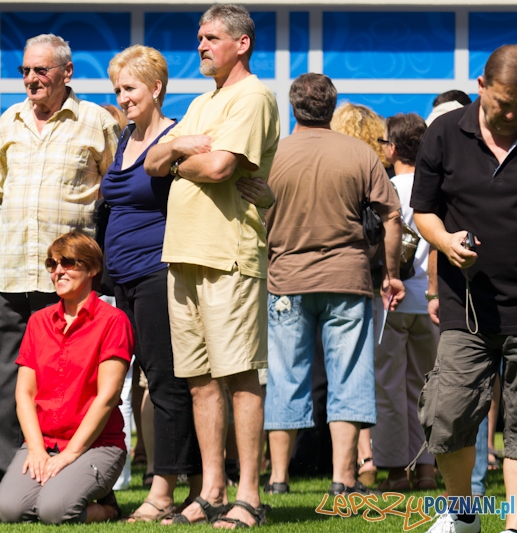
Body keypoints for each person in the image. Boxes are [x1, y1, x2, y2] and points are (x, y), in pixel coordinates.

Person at [0, 33, 119, 516]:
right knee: (6, 384)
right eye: (25, 71)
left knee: (79, 383)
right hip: (11, 273)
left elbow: (112, 193)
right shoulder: (8, 121)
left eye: (42, 71)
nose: (31, 79)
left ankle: (89, 483)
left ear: (66, 73)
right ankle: (5, 485)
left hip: (68, 276)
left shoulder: (97, 121)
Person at [144, 5, 278, 527]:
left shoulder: (254, 96)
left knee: (240, 375)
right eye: (199, 37)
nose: (200, 46)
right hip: (183, 254)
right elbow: (151, 163)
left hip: (228, 253)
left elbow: (221, 166)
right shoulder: (202, 101)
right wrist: (178, 145)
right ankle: (213, 489)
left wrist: (177, 156)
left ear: (241, 43)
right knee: (199, 380)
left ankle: (249, 494)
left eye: (212, 37)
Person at [254, 73, 403, 497]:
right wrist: (390, 274)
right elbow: (390, 216)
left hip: (286, 279)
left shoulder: (274, 155)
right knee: (350, 377)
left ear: (293, 105)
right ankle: (344, 478)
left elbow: (253, 217)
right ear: (332, 106)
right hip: (347, 278)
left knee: (284, 377)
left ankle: (278, 478)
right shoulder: (359, 153)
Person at [413, 45, 517, 533]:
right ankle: (463, 513)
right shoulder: (443, 133)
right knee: (448, 415)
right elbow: (423, 211)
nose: (512, 113)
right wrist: (445, 241)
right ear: (481, 87)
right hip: (467, 305)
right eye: (503, 102)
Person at [102, 44, 201, 521]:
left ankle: (163, 489)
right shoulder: (126, 137)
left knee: (164, 380)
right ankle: (195, 481)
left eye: (130, 88)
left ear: (156, 88)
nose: (122, 97)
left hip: (158, 272)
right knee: (138, 380)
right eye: (117, 89)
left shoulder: (176, 134)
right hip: (120, 276)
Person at [0, 231, 133, 524]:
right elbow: (24, 394)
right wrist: (36, 449)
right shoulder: (38, 321)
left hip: (98, 444)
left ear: (93, 269)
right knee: (8, 510)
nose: (58, 271)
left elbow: (107, 397)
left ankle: (108, 508)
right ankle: (63, 487)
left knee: (53, 511)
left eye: (68, 263)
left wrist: (70, 454)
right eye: (52, 264)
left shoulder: (113, 321)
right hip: (46, 441)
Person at [370, 113, 438, 491]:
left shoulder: (387, 188)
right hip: (429, 301)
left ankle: (397, 472)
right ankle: (427, 467)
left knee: (390, 389)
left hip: (391, 300)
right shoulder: (435, 187)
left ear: (392, 148)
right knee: (426, 388)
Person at [330, 101, 390, 485]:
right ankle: (368, 459)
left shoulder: (332, 166)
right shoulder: (375, 171)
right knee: (363, 371)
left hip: (329, 275)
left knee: (343, 372)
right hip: (368, 278)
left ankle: (359, 459)